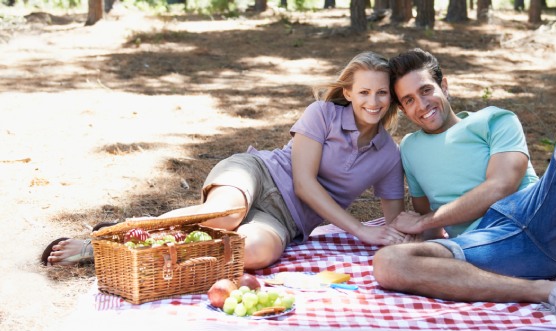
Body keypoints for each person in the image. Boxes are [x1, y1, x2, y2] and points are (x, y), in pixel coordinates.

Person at [372, 48, 556, 329]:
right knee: (388, 264)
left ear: (444, 86)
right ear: (402, 109)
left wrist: (426, 220)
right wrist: (412, 234)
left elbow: (501, 186)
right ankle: (551, 292)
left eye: (425, 90)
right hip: (486, 247)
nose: (421, 105)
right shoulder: (409, 149)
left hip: (541, 216)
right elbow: (435, 229)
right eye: (408, 100)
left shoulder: (494, 119)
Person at [44, 51, 407, 270]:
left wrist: (427, 227)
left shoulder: (389, 156)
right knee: (224, 215)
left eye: (381, 93)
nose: (372, 101)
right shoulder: (323, 113)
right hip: (258, 175)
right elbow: (303, 184)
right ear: (348, 92)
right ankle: (107, 243)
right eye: (363, 92)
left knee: (254, 252)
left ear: (391, 98)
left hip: (284, 220)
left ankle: (146, 235)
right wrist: (359, 229)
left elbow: (394, 222)